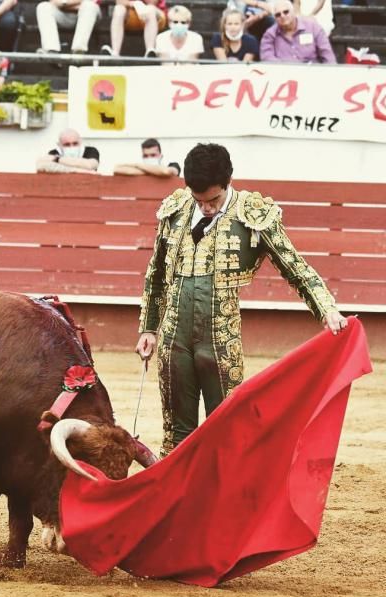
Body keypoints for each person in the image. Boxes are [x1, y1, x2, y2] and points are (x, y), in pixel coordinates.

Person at [135, 143, 347, 456]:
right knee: (176, 436)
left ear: (228, 181)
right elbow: (156, 274)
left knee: (225, 431)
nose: (206, 208)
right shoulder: (175, 209)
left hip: (220, 342)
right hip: (173, 339)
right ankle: (182, 503)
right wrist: (149, 328)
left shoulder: (252, 214)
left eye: (213, 200)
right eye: (199, 200)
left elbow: (296, 268)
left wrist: (327, 309)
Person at [260, 0, 336, 63]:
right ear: (275, 18)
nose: (282, 16)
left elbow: (328, 56)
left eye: (286, 12)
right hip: (283, 76)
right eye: (278, 15)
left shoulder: (313, 28)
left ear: (293, 12)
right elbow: (267, 59)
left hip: (312, 74)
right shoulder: (269, 35)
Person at [100, 0, 167, 57]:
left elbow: (153, 2)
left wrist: (141, 5)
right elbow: (119, 1)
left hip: (156, 14)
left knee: (150, 9)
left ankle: (150, 51)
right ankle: (115, 53)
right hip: (132, 12)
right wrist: (134, 3)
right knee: (119, 9)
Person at [35, 0, 101, 54]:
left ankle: (78, 51)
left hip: (88, 16)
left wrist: (64, 3)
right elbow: (54, 2)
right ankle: (51, 51)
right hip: (63, 14)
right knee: (43, 6)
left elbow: (93, 1)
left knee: (89, 6)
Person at [113, 138, 181, 177]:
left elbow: (166, 171)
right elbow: (116, 169)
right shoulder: (142, 168)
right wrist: (154, 171)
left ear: (160, 156)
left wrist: (137, 165)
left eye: (153, 155)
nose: (149, 158)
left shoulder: (173, 165)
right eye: (145, 156)